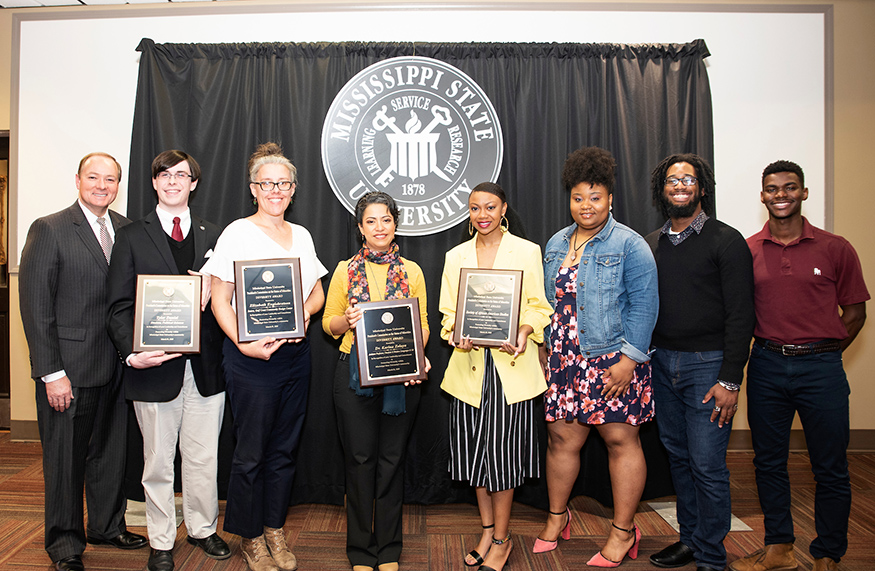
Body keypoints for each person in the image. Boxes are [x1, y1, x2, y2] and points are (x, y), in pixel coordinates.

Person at [729, 161, 869, 571]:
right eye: (772, 189)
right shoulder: (748, 250)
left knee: (830, 465)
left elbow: (856, 313)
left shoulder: (835, 247)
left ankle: (828, 551)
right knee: (768, 462)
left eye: (790, 188)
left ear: (804, 193)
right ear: (762, 196)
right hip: (768, 365)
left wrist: (824, 354)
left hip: (821, 369)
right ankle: (779, 548)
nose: (781, 195)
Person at [19, 152, 147, 571]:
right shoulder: (50, 228)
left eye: (110, 179)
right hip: (69, 370)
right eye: (94, 177)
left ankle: (106, 526)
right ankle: (64, 544)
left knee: (111, 453)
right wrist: (51, 373)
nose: (102, 185)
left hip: (118, 365)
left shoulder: (128, 229)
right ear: (78, 180)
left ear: (118, 185)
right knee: (64, 459)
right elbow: (36, 309)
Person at [203, 142, 327, 571]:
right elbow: (220, 300)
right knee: (251, 452)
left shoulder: (303, 235)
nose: (276, 190)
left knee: (284, 450)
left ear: (293, 189)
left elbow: (317, 293)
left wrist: (305, 316)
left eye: (284, 183)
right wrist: (242, 342)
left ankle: (275, 528)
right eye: (267, 183)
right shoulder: (236, 232)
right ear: (254, 188)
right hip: (251, 360)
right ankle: (250, 536)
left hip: (296, 358)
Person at [106, 150, 230, 571]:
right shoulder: (130, 235)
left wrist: (216, 289)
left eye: (182, 175)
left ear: (194, 183)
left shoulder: (215, 234)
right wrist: (131, 353)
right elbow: (119, 306)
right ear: (154, 183)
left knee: (203, 457)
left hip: (207, 369)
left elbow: (231, 302)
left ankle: (202, 529)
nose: (173, 181)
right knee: (157, 462)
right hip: (153, 368)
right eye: (165, 175)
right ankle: (161, 539)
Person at [536, 147, 658, 567]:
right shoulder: (555, 243)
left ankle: (624, 532)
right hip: (566, 358)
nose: (586, 206)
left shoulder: (630, 244)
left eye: (596, 196)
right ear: (569, 199)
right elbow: (545, 302)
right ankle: (557, 518)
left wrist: (629, 361)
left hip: (612, 360)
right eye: (578, 197)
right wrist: (544, 346)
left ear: (610, 199)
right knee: (561, 439)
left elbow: (645, 306)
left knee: (619, 439)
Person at [644, 153, 755, 571]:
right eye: (672, 180)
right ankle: (690, 540)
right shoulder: (651, 242)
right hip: (661, 363)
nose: (679, 186)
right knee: (679, 458)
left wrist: (730, 380)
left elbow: (742, 315)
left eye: (688, 179)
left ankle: (712, 557)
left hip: (708, 367)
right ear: (662, 190)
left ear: (702, 188)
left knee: (707, 465)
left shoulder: (726, 240)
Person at [439, 182, 553, 571]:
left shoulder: (527, 251)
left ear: (503, 209)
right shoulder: (456, 256)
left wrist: (524, 331)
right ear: (468, 213)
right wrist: (456, 332)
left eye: (490, 207)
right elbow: (447, 315)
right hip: (468, 371)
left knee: (503, 461)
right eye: (475, 208)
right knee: (475, 458)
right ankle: (487, 530)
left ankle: (502, 539)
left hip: (511, 371)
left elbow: (539, 307)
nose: (482, 215)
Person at [323, 191, 430, 571]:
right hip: (353, 375)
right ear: (360, 228)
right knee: (359, 461)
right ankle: (360, 551)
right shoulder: (344, 269)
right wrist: (347, 321)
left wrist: (417, 355)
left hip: (400, 378)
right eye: (371, 221)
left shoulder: (412, 271)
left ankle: (389, 549)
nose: (379, 227)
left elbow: (424, 325)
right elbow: (328, 323)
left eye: (385, 219)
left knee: (391, 461)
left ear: (395, 223)